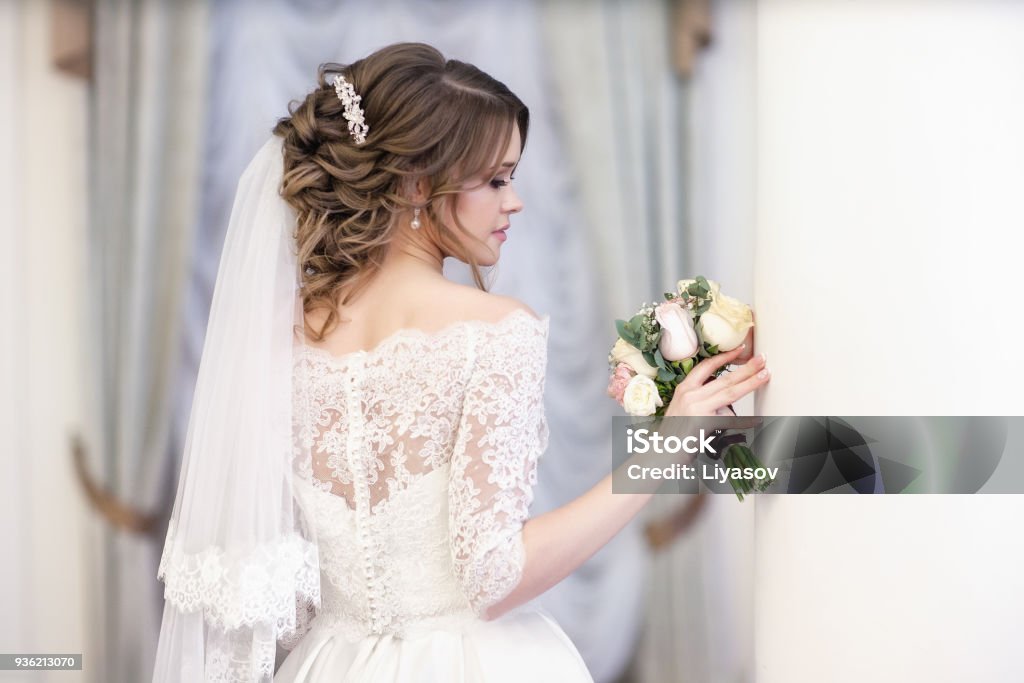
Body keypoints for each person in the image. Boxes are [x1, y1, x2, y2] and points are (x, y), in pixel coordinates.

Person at [152, 42, 770, 683]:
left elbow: (289, 580)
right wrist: (666, 451)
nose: (515, 201)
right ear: (418, 184)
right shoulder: (494, 331)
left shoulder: (284, 336)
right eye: (497, 179)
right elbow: (493, 577)